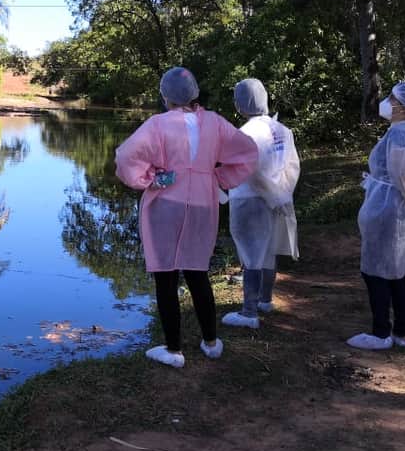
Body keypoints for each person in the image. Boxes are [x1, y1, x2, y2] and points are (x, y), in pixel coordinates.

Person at [115, 67, 258, 367]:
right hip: (203, 203)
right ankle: (211, 341)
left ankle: (173, 349)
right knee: (197, 270)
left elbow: (126, 156)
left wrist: (148, 179)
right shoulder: (215, 124)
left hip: (167, 203)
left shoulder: (158, 125)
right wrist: (218, 176)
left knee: (166, 275)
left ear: (165, 96)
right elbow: (247, 152)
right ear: (193, 94)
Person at [347, 81, 405, 351]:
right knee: (396, 272)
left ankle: (381, 332)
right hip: (397, 206)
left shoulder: (401, 134)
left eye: (391, 98)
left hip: (388, 208)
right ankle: (401, 332)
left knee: (375, 272)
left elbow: (402, 173)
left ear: (401, 106)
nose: (387, 102)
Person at [221, 79, 300, 330]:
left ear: (242, 103)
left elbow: (248, 171)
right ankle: (265, 300)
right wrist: (281, 193)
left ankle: (249, 312)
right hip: (276, 200)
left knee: (251, 253)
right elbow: (292, 166)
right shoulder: (281, 130)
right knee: (268, 249)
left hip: (249, 199)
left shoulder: (245, 133)